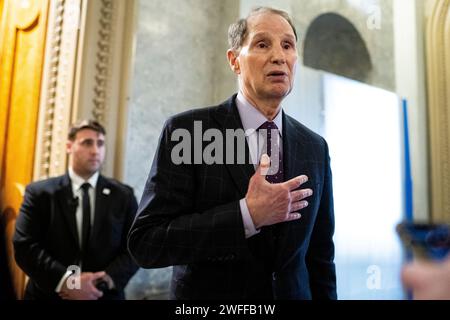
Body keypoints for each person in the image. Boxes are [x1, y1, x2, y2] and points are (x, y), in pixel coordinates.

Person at [128, 7, 336, 300]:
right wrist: (246, 216)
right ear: (234, 61)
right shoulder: (189, 132)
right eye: (263, 44)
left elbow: (321, 257)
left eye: (287, 45)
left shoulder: (315, 146)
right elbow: (147, 243)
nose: (279, 56)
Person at [13, 120, 139, 300]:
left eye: (100, 143)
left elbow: (135, 246)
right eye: (87, 143)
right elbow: (24, 246)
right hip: (50, 295)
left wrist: (102, 281)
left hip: (103, 295)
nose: (96, 150)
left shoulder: (123, 195)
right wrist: (68, 283)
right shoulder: (39, 193)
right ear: (69, 146)